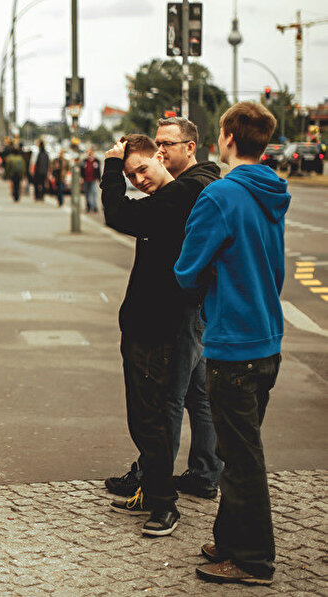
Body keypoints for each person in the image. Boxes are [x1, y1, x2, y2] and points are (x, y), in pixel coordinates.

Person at [174, 102, 289, 586]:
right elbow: (276, 269)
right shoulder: (272, 192)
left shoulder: (220, 196)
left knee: (241, 460)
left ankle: (253, 561)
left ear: (226, 137)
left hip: (232, 343)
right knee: (237, 448)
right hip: (266, 338)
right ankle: (230, 539)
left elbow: (186, 270)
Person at [101, 133, 217, 537]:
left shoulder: (179, 197)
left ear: (161, 158)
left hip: (162, 327)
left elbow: (116, 214)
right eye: (132, 175)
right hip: (142, 323)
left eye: (143, 169)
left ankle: (164, 503)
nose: (139, 179)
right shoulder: (170, 198)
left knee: (154, 417)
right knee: (147, 415)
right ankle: (156, 489)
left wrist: (112, 165)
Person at [81, 148, 101, 213]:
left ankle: (94, 206)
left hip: (93, 179)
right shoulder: (84, 161)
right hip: (86, 179)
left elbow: (98, 171)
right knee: (87, 193)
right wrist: (81, 177)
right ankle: (88, 206)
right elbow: (82, 170)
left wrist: (99, 179)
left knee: (94, 193)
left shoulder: (96, 161)